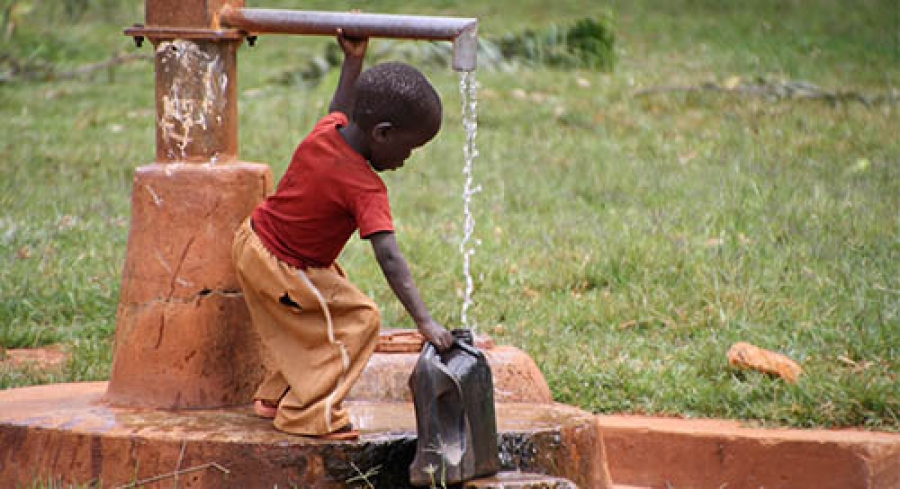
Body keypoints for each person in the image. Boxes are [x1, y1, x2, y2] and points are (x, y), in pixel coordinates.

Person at [231, 32, 454, 441]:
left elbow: (341, 106)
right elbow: (389, 256)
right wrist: (424, 321)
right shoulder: (364, 187)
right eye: (410, 148)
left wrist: (353, 59)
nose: (407, 159)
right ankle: (307, 414)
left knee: (322, 314)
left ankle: (275, 396)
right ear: (382, 134)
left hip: (259, 241)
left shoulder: (329, 129)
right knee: (359, 320)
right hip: (280, 263)